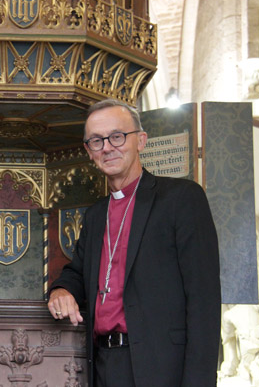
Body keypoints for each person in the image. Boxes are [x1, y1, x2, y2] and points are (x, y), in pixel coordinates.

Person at [47, 99, 221, 387]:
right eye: (96, 141)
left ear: (140, 141)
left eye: (117, 136)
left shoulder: (181, 198)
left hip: (163, 367)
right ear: (89, 152)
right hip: (103, 364)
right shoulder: (95, 215)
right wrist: (62, 290)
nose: (107, 147)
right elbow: (77, 272)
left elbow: (204, 300)